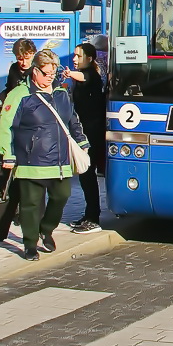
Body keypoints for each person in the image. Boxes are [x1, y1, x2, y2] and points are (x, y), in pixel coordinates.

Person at [0, 49, 90, 260]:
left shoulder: (61, 93)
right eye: (46, 73)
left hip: (60, 161)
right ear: (35, 71)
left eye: (53, 73)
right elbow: (6, 126)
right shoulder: (20, 95)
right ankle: (30, 244)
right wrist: (8, 154)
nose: (50, 78)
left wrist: (81, 140)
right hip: (31, 161)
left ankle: (46, 229)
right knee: (30, 204)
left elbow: (72, 119)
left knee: (62, 196)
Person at [68, 42, 107, 234]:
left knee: (88, 175)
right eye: (74, 55)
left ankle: (93, 217)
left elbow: (83, 76)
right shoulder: (84, 77)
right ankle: (89, 214)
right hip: (84, 132)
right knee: (85, 176)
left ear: (89, 59)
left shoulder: (91, 75)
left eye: (78, 56)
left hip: (91, 134)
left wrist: (68, 74)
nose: (75, 59)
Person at [0, 38, 37, 112]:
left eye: (27, 58)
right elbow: (10, 90)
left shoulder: (39, 69)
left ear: (33, 54)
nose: (24, 63)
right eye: (20, 59)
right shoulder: (14, 68)